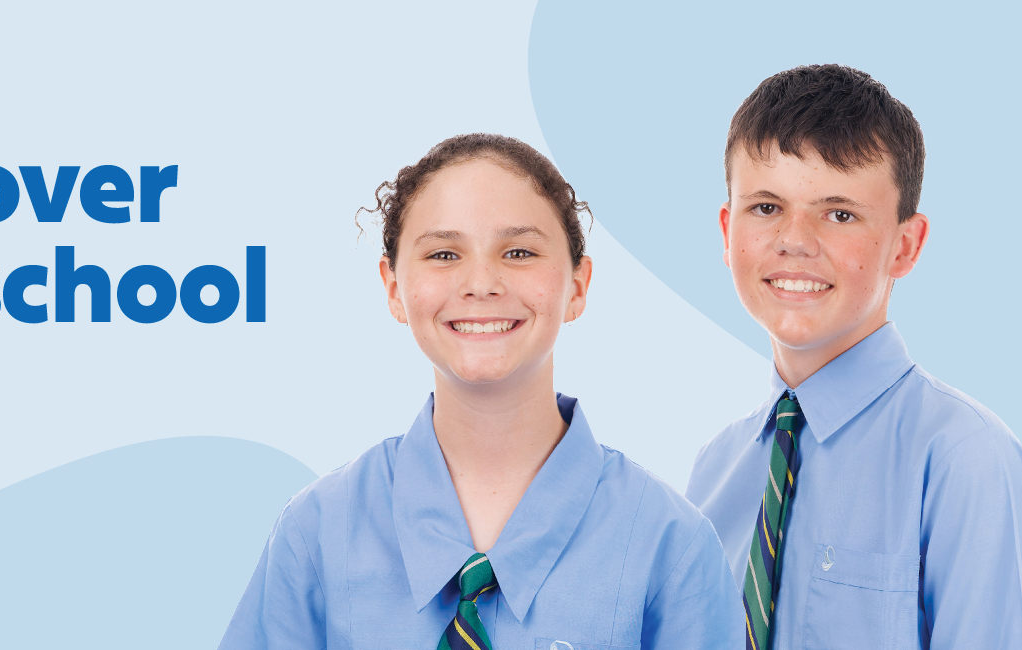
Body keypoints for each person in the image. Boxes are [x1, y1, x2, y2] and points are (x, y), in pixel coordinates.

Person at [220, 134, 741, 650]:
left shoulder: (672, 548)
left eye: (518, 252)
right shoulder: (316, 533)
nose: (481, 282)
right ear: (394, 288)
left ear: (578, 286)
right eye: (444, 254)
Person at [684, 64, 1022, 650]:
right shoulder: (713, 471)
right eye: (765, 207)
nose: (795, 240)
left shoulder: (967, 460)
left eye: (840, 214)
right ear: (728, 232)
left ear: (905, 246)